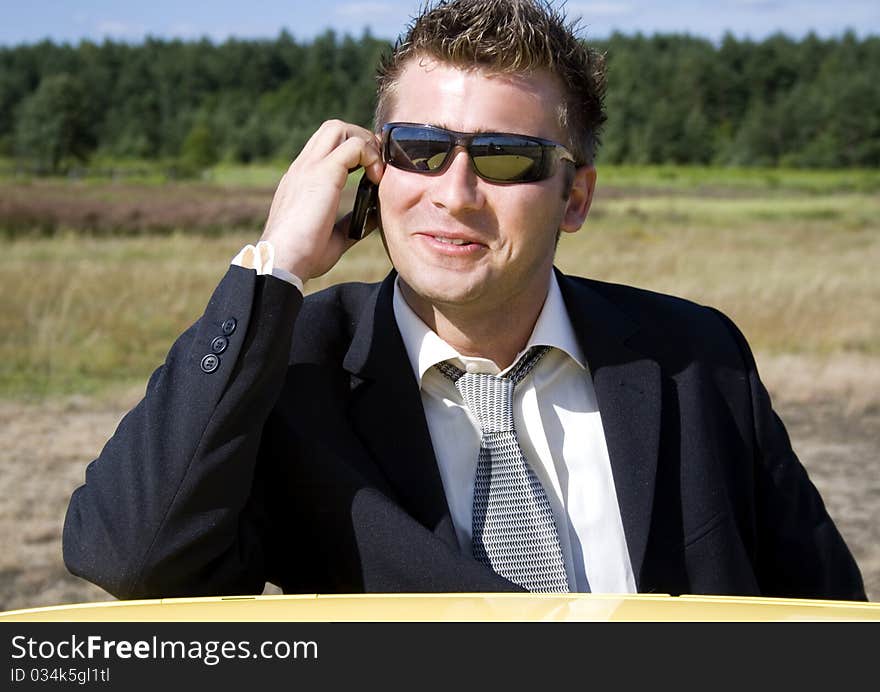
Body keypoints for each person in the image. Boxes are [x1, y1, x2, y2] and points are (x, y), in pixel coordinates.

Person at [63, 0, 865, 601]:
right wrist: (273, 266)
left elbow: (827, 618)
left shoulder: (696, 357)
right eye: (418, 149)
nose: (455, 193)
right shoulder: (296, 370)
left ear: (575, 196)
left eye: (507, 158)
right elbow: (131, 555)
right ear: (373, 169)